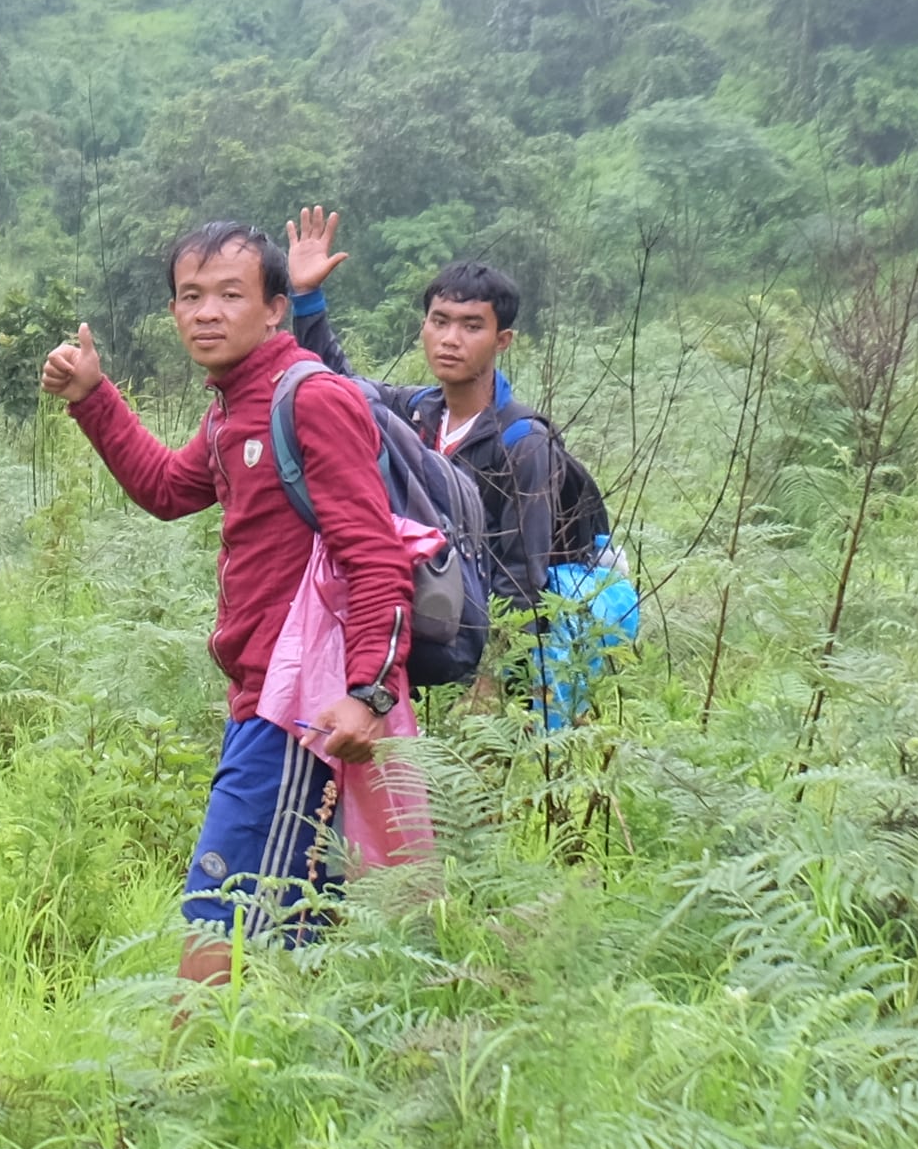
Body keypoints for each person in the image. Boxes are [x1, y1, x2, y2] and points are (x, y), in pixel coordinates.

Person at [42, 223, 416, 977]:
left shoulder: (308, 398)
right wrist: (93, 396)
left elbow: (374, 553)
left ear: (276, 308)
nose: (206, 312)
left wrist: (365, 694)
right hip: (265, 694)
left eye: (229, 295)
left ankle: (180, 1084)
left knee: (224, 910)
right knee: (295, 926)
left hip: (300, 709)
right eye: (190, 296)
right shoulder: (232, 406)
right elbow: (169, 490)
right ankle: (270, 1078)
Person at [277, 208, 636, 727]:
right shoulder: (417, 413)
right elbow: (339, 389)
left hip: (492, 659)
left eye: (472, 327)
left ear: (502, 340)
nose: (450, 339)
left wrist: (489, 682)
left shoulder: (523, 442)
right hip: (437, 635)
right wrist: (308, 298)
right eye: (440, 322)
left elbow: (521, 573)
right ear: (423, 326)